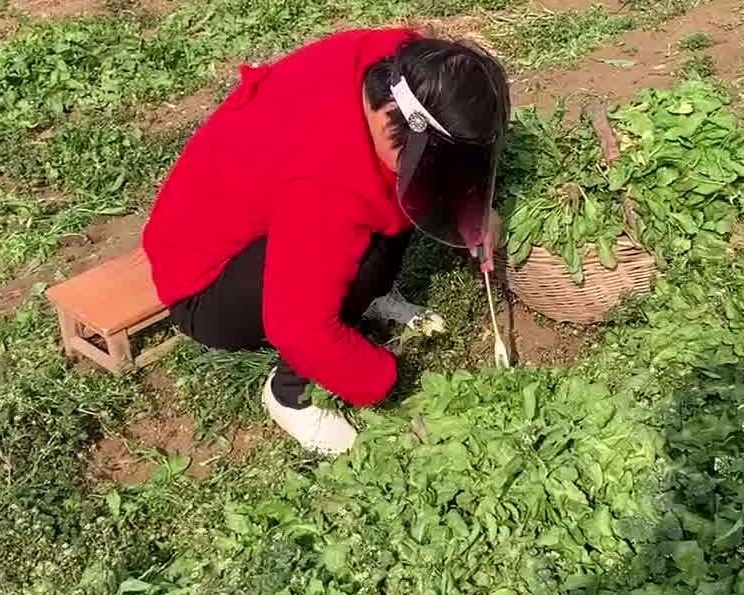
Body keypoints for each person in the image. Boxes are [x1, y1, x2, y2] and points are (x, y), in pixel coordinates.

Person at [143, 27, 508, 454]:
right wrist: (384, 379)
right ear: (395, 119)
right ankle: (289, 395)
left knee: (395, 208)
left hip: (262, 212)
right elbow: (298, 328)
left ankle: (359, 298)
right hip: (205, 285)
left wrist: (470, 206)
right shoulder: (325, 188)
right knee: (365, 259)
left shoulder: (406, 63)